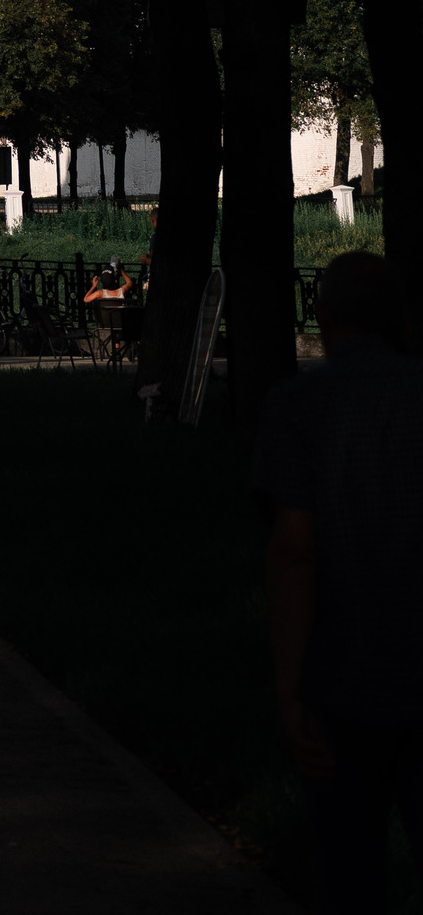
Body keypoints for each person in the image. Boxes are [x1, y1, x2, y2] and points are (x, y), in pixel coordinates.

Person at [254, 249, 423, 908]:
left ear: (321, 314)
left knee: (351, 871)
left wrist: (290, 689)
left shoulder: (300, 403)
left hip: (344, 678)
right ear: (401, 318)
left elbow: (294, 553)